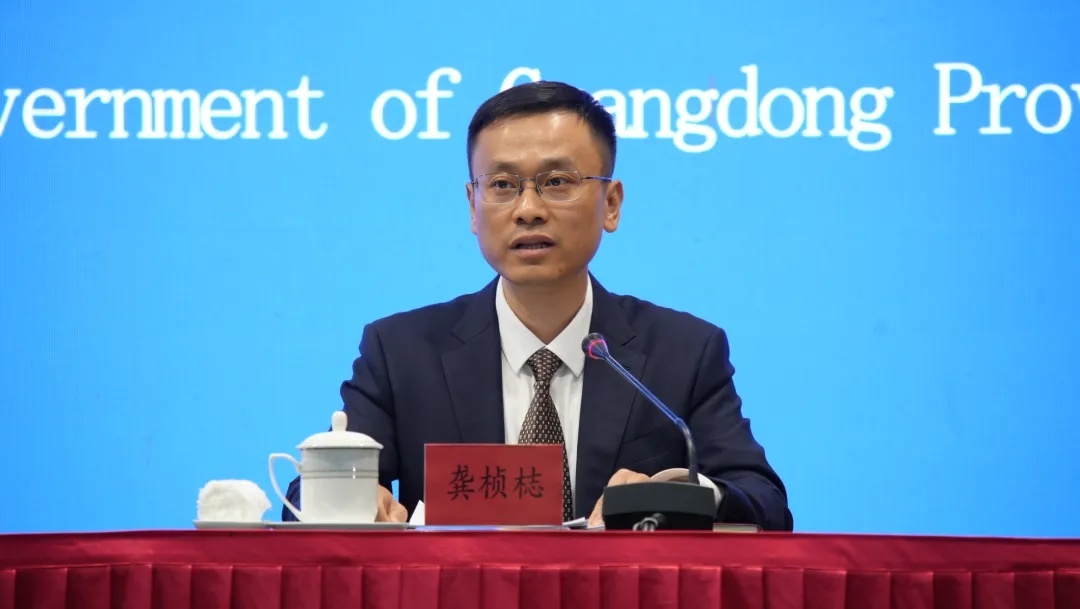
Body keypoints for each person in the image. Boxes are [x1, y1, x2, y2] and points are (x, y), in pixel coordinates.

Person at [284, 80, 793, 531]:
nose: (528, 210)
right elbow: (302, 500)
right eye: (502, 186)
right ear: (473, 206)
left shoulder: (683, 353)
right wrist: (345, 499)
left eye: (557, 182)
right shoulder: (401, 353)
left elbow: (765, 503)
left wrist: (684, 494)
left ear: (611, 203)